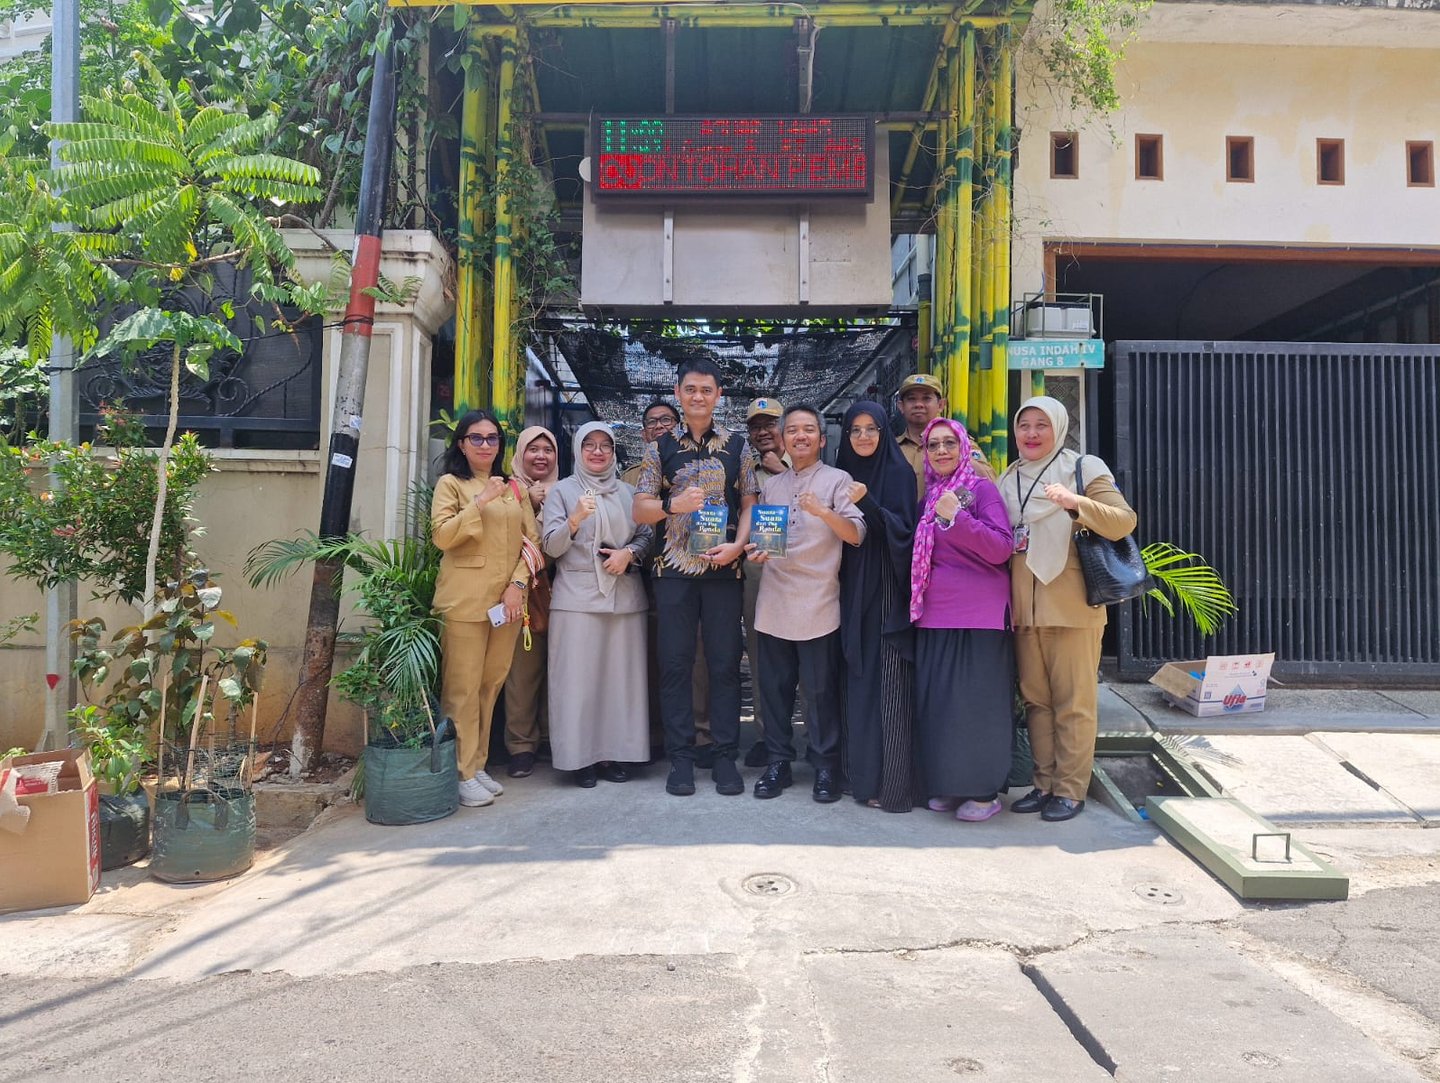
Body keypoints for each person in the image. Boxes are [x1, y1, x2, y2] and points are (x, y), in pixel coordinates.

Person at [998, 396, 1137, 822]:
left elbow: (1123, 521)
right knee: (1036, 702)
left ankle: (1071, 790)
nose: (1031, 433)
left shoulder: (1082, 468)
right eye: (1024, 425)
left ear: (1058, 427)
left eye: (1041, 425)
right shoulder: (1008, 478)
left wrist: (1075, 502)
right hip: (1025, 609)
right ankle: (1044, 785)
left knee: (1074, 702)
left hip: (1072, 606)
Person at [633, 358, 758, 798]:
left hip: (725, 570)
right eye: (690, 389)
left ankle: (725, 757)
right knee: (675, 665)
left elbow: (749, 503)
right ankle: (681, 759)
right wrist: (673, 506)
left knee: (725, 665)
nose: (698, 397)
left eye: (707, 390)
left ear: (718, 395)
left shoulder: (738, 446)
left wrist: (738, 546)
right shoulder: (659, 448)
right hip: (673, 574)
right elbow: (640, 509)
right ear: (678, 393)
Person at [746, 405, 864, 802]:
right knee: (775, 690)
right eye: (793, 430)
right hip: (774, 599)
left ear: (821, 438)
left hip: (818, 601)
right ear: (783, 439)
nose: (800, 436)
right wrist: (757, 551)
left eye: (808, 429)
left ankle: (825, 766)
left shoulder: (838, 480)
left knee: (819, 692)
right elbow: (767, 539)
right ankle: (778, 761)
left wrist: (823, 511)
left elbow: (856, 535)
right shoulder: (773, 486)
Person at [910, 417, 1016, 823]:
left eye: (948, 443)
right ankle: (951, 784)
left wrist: (958, 518)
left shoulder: (980, 489)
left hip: (980, 615)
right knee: (942, 705)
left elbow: (1001, 548)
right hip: (935, 613)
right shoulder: (930, 496)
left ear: (963, 448)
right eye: (933, 444)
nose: (941, 451)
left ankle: (984, 791)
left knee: (977, 707)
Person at [432, 410, 539, 808]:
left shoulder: (515, 488)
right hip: (465, 600)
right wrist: (480, 501)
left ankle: (476, 764)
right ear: (461, 444)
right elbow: (443, 536)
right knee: (462, 688)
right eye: (475, 438)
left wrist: (517, 586)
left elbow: (532, 542)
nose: (485, 445)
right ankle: (460, 772)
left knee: (491, 683)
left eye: (492, 438)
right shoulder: (451, 484)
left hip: (507, 602)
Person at [542, 422, 653, 786]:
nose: (598, 451)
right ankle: (580, 759)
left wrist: (629, 553)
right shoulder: (562, 491)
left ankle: (614, 755)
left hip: (624, 598)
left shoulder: (629, 493)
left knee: (620, 683)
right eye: (589, 444)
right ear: (577, 449)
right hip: (576, 599)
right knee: (577, 684)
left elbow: (647, 535)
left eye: (606, 445)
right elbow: (550, 547)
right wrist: (575, 519)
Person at [835, 401, 919, 812]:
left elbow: (903, 533)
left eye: (872, 429)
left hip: (884, 583)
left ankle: (892, 783)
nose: (864, 436)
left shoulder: (899, 473)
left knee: (886, 680)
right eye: (856, 429)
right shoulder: (840, 473)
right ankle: (858, 775)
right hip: (848, 583)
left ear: (885, 433)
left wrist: (867, 502)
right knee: (854, 675)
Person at [503, 426, 560, 779]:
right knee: (522, 674)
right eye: (533, 449)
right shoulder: (505, 490)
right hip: (521, 593)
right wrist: (530, 503)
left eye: (548, 450)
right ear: (520, 453)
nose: (541, 456)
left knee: (560, 671)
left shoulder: (568, 490)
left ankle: (553, 738)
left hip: (562, 593)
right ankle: (521, 746)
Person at [741, 396, 788, 767]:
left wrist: (782, 470)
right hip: (758, 572)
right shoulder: (744, 471)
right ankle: (766, 735)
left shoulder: (810, 463)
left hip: (807, 575)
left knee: (812, 659)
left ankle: (816, 737)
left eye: (770, 424)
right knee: (761, 657)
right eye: (756, 426)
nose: (763, 432)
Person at [895, 373, 945, 500]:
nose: (918, 404)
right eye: (911, 399)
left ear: (941, 405)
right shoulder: (890, 449)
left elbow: (985, 482)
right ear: (901, 406)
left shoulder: (959, 444)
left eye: (926, 398)